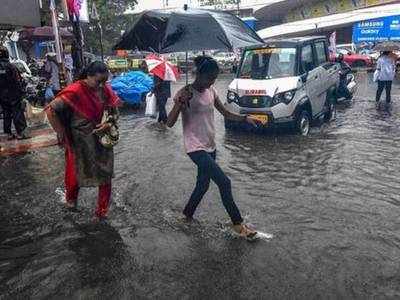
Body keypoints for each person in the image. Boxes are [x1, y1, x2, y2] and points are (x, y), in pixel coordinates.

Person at [167, 56, 260, 240]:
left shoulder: (212, 91)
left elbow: (225, 112)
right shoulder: (184, 93)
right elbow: (169, 123)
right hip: (195, 147)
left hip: (210, 145)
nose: (212, 81)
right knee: (225, 182)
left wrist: (245, 118)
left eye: (215, 78)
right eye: (209, 78)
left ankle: (186, 215)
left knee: (202, 186)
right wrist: (180, 102)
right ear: (199, 75)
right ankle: (238, 225)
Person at [45, 61, 121, 221]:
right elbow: (51, 110)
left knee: (105, 174)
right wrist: (60, 133)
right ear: (88, 76)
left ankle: (101, 212)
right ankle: (71, 203)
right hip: (79, 141)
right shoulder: (75, 91)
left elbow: (114, 111)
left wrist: (108, 123)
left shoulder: (105, 90)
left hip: (101, 138)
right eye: (98, 81)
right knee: (75, 173)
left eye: (104, 81)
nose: (101, 85)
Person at [0, 46, 30, 140]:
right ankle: (20, 133)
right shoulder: (11, 66)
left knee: (6, 113)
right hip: (13, 93)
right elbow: (17, 80)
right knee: (17, 112)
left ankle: (8, 133)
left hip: (2, 95)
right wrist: (21, 92)